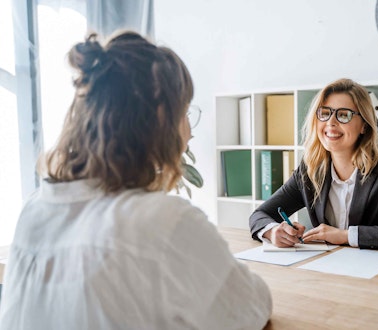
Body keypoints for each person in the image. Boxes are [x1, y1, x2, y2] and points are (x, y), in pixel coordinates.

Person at [0, 31, 271, 330]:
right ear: (159, 118)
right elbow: (251, 307)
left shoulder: (35, 209)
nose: (189, 131)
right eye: (184, 112)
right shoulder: (165, 221)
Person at [250, 78, 378, 251]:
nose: (331, 123)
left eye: (344, 115)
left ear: (364, 125)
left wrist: (346, 236)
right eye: (324, 113)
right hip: (330, 270)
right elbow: (260, 215)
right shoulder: (310, 170)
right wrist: (273, 231)